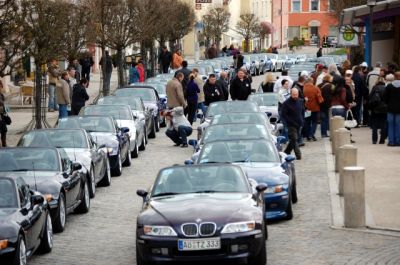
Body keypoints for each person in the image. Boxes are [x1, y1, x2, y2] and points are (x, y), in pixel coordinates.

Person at [281, 88, 304, 160]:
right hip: (291, 124)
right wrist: (288, 122)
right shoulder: (286, 103)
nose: (295, 96)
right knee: (294, 139)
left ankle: (286, 152)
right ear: (291, 94)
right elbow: (283, 115)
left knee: (292, 140)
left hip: (299, 123)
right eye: (294, 95)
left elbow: (302, 111)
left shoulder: (300, 101)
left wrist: (302, 120)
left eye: (296, 94)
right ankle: (298, 155)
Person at [383, 71, 400, 146]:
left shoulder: (389, 86)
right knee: (398, 125)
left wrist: (388, 103)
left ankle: (391, 141)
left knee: (390, 125)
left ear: (394, 77)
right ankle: (398, 141)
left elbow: (384, 97)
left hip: (390, 108)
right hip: (399, 109)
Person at [369, 77, 387, 144]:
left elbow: (370, 97)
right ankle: (382, 140)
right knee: (384, 125)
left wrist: (370, 108)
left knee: (374, 126)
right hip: (384, 109)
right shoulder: (386, 88)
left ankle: (374, 140)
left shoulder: (375, 88)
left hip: (375, 109)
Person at [0, 82, 8, 147]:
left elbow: (3, 105)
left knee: (4, 130)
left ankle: (4, 145)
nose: (0, 88)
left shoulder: (1, 95)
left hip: (2, 116)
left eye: (1, 86)